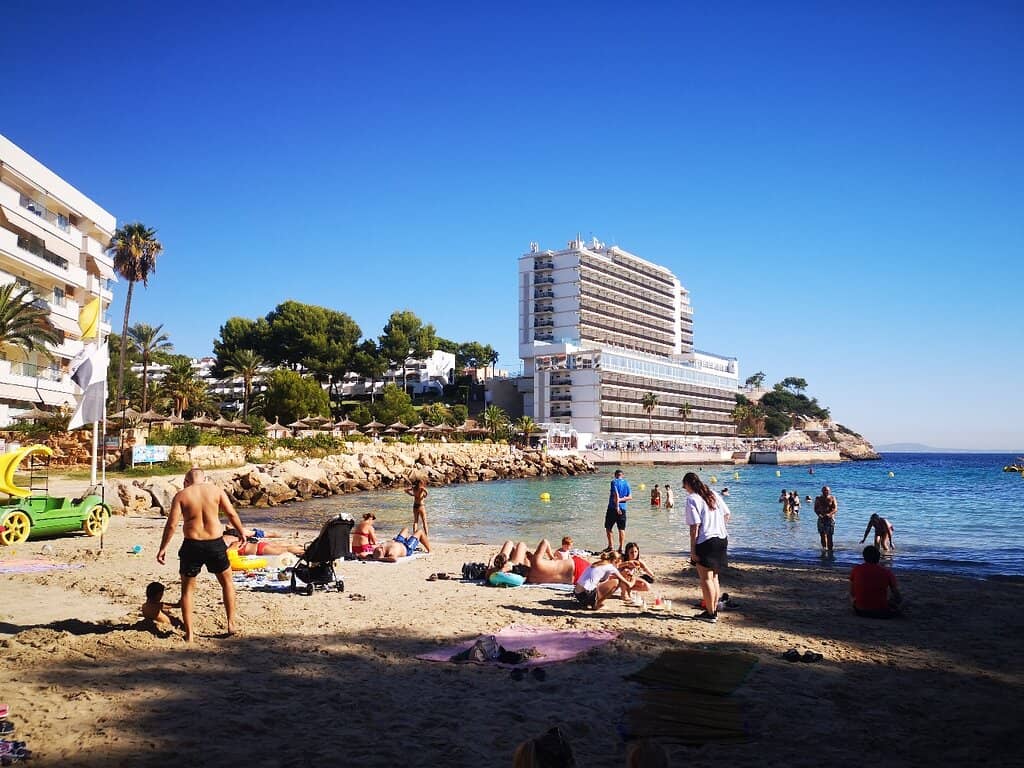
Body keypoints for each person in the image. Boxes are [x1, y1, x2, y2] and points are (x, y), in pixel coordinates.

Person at [157, 468, 247, 642]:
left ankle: (189, 634)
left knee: (187, 591)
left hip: (192, 545)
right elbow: (231, 514)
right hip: (215, 543)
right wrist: (241, 532)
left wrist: (163, 548)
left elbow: (171, 525)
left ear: (186, 481)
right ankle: (231, 624)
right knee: (227, 582)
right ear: (204, 478)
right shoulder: (216, 491)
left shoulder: (182, 495)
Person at [684, 471, 731, 623]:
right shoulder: (713, 494)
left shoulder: (692, 498)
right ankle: (713, 609)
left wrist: (692, 550)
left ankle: (711, 613)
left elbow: (694, 527)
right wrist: (719, 526)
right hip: (722, 539)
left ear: (688, 485)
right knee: (714, 577)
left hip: (706, 541)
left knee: (706, 579)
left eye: (684, 487)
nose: (685, 490)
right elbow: (727, 514)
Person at [850, 545, 902, 618]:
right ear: (878, 558)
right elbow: (897, 596)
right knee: (895, 602)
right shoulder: (887, 572)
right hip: (881, 610)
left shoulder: (856, 570)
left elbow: (852, 593)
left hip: (860, 610)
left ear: (864, 557)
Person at [224, 529, 305, 557]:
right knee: (285, 548)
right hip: (260, 547)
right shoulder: (228, 538)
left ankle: (305, 551)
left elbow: (234, 546)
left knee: (286, 550)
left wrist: (226, 551)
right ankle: (304, 549)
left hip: (260, 549)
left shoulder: (229, 542)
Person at [605, 469, 632, 554]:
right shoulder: (626, 483)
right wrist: (621, 500)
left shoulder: (614, 482)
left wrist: (617, 506)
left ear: (615, 475)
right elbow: (630, 497)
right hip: (623, 509)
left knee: (608, 527)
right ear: (622, 475)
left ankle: (611, 546)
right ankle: (621, 548)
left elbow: (616, 494)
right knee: (621, 528)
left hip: (613, 508)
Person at [814, 485, 838, 552]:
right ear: (822, 491)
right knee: (822, 535)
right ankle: (824, 549)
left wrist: (829, 514)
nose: (825, 492)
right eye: (824, 490)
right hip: (821, 519)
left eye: (827, 490)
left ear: (829, 491)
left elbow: (835, 509)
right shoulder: (818, 498)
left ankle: (830, 550)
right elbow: (815, 509)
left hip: (830, 519)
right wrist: (819, 515)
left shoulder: (832, 498)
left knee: (829, 536)